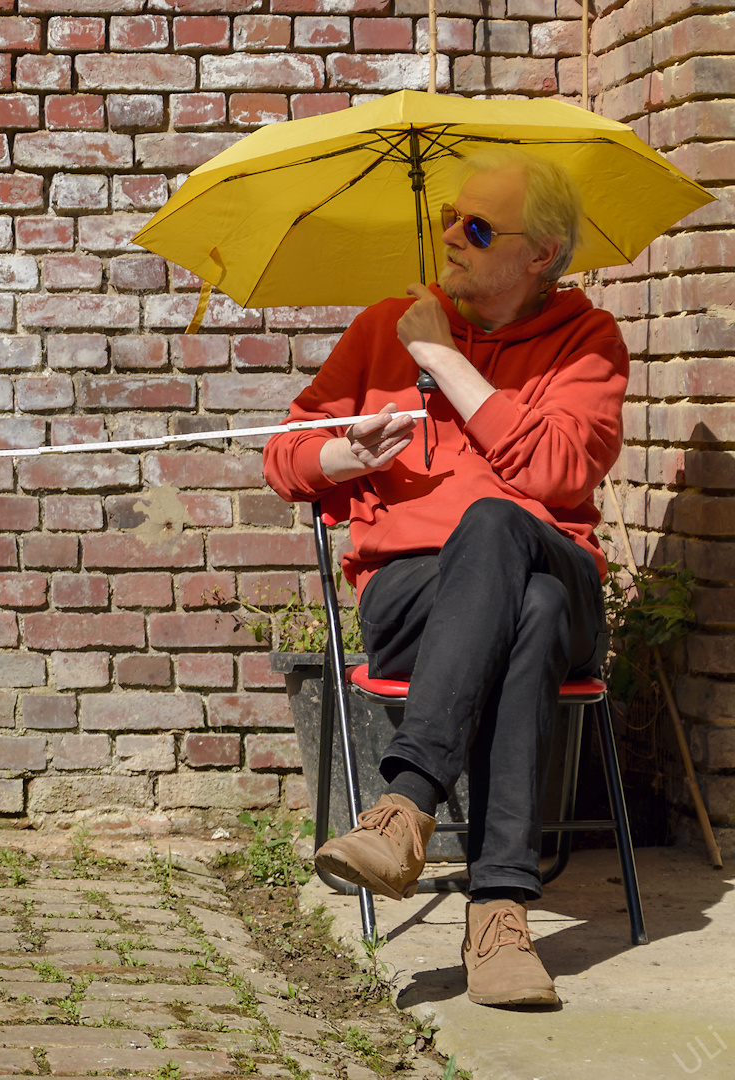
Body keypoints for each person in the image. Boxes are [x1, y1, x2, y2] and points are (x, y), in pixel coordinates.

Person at [262, 148, 627, 1008]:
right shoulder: (382, 325)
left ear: (538, 254)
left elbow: (560, 475)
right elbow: (283, 456)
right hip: (415, 599)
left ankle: (404, 806)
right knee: (523, 611)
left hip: (554, 568)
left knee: (503, 529)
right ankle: (499, 911)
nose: (450, 239)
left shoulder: (587, 340)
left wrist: (445, 361)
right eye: (446, 220)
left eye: (476, 228)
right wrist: (343, 454)